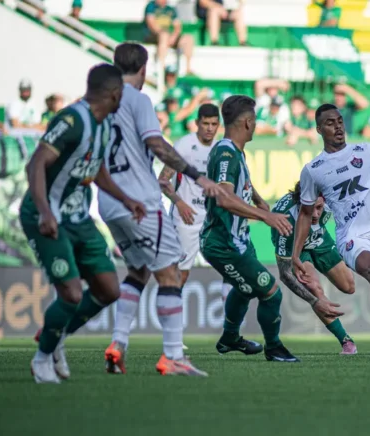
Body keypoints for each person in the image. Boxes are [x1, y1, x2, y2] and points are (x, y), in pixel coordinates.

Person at [101, 42, 223, 377]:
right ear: (143, 68)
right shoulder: (138, 99)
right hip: (140, 200)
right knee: (170, 274)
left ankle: (118, 344)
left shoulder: (101, 102)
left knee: (138, 272)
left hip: (110, 203)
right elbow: (156, 144)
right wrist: (196, 175)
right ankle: (172, 355)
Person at [20, 64, 147, 384]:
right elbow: (36, 163)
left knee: (109, 289)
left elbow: (96, 170)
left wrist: (125, 198)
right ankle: (42, 358)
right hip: (47, 216)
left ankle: (57, 337)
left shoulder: (103, 124)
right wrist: (45, 211)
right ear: (115, 94)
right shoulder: (72, 119)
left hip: (78, 218)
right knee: (72, 294)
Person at [293, 104, 370, 357]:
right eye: (330, 123)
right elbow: (306, 214)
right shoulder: (313, 170)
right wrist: (295, 254)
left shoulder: (368, 151)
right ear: (318, 129)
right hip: (352, 237)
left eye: (340, 121)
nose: (338, 126)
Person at [200, 95, 302, 363]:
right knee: (271, 292)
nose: (256, 125)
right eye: (255, 120)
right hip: (223, 242)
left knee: (245, 289)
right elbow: (223, 197)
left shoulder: (235, 152)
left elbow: (236, 182)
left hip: (237, 239)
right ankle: (274, 347)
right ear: (246, 122)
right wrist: (264, 216)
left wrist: (256, 197)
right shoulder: (225, 153)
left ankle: (230, 338)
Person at [272, 181, 356, 354]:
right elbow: (285, 274)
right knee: (314, 288)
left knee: (349, 286)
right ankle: (346, 342)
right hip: (297, 248)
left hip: (319, 240)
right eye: (312, 208)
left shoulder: (331, 201)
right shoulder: (284, 223)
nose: (316, 214)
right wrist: (314, 300)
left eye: (319, 207)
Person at [158, 103, 221, 288]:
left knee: (232, 270)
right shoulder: (184, 146)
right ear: (197, 123)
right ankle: (171, 312)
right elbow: (162, 180)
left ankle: (231, 317)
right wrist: (179, 203)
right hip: (187, 217)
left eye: (214, 124)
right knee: (181, 274)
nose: (210, 128)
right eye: (205, 123)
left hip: (210, 218)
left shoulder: (219, 148)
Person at [143, 0, 195, 75]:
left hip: (168, 36)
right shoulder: (151, 6)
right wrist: (163, 33)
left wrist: (174, 36)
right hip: (154, 35)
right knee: (164, 35)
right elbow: (151, 24)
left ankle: (188, 68)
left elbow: (177, 25)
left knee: (188, 38)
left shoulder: (171, 9)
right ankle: (161, 66)